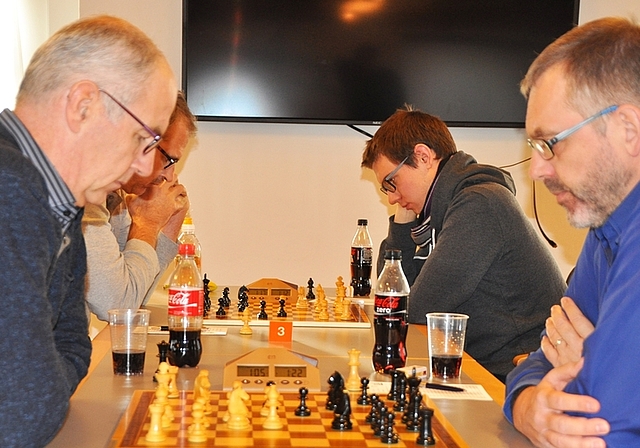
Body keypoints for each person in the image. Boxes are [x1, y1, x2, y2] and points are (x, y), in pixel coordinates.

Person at [0, 15, 177, 446]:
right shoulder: (12, 193)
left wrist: (46, 379)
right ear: (83, 104)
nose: (146, 167)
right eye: (144, 139)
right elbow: (24, 417)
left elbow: (75, 343)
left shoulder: (59, 203)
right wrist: (44, 383)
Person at [504, 17, 640, 447]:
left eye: (551, 143)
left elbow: (602, 428)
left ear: (628, 130)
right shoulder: (605, 230)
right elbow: (541, 356)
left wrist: (585, 368)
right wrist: (528, 408)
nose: (538, 170)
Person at [361, 106, 566, 382]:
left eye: (391, 182)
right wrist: (403, 219)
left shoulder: (480, 204)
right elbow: (393, 295)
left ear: (423, 157)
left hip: (518, 373)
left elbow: (417, 309)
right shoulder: (449, 206)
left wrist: (406, 210)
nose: (392, 197)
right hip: (482, 364)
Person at [83, 92, 197, 321]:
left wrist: (170, 222)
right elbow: (117, 305)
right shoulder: (85, 196)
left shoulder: (114, 196)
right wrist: (148, 224)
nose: (170, 176)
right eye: (169, 160)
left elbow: (136, 295)